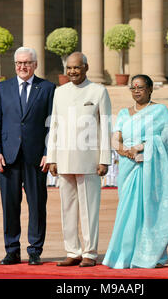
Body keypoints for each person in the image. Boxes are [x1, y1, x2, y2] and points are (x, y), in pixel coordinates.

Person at [102, 74, 168, 269]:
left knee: (149, 209)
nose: (136, 91)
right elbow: (116, 138)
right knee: (127, 210)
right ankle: (125, 253)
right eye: (133, 88)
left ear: (150, 89)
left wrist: (143, 146)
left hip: (151, 168)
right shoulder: (123, 113)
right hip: (128, 166)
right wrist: (123, 151)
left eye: (141, 87)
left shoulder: (159, 111)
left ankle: (151, 254)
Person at [0, 47, 56, 266]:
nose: (22, 67)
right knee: (9, 205)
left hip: (37, 157)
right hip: (8, 157)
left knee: (37, 205)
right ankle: (12, 250)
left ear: (35, 64)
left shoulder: (47, 88)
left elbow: (53, 125)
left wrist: (49, 152)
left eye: (27, 63)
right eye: (19, 63)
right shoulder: (2, 88)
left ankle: (35, 250)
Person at [47, 52, 112, 267]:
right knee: (67, 208)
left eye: (76, 67)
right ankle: (72, 251)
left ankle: (90, 252)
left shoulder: (99, 91)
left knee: (89, 208)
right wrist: (52, 158)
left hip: (89, 160)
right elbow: (54, 126)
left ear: (86, 67)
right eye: (69, 68)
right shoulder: (59, 92)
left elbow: (105, 127)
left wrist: (104, 159)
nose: (72, 71)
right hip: (63, 158)